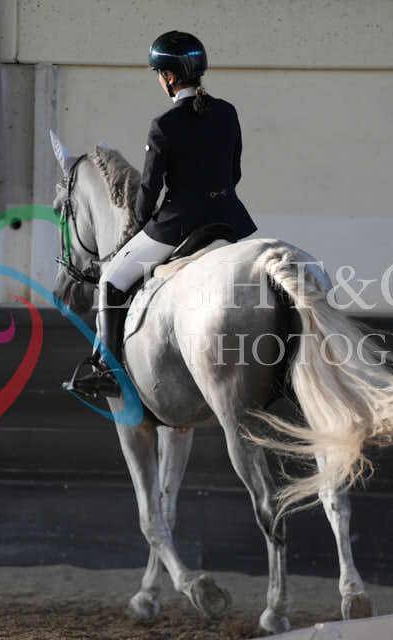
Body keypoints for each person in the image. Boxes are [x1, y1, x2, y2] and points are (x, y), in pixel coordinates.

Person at [64, 30, 257, 401]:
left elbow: (150, 190)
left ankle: (107, 370)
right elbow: (234, 173)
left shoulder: (164, 125)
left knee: (111, 281)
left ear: (169, 77)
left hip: (179, 224)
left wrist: (138, 227)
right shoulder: (228, 112)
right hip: (228, 219)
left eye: (159, 74)